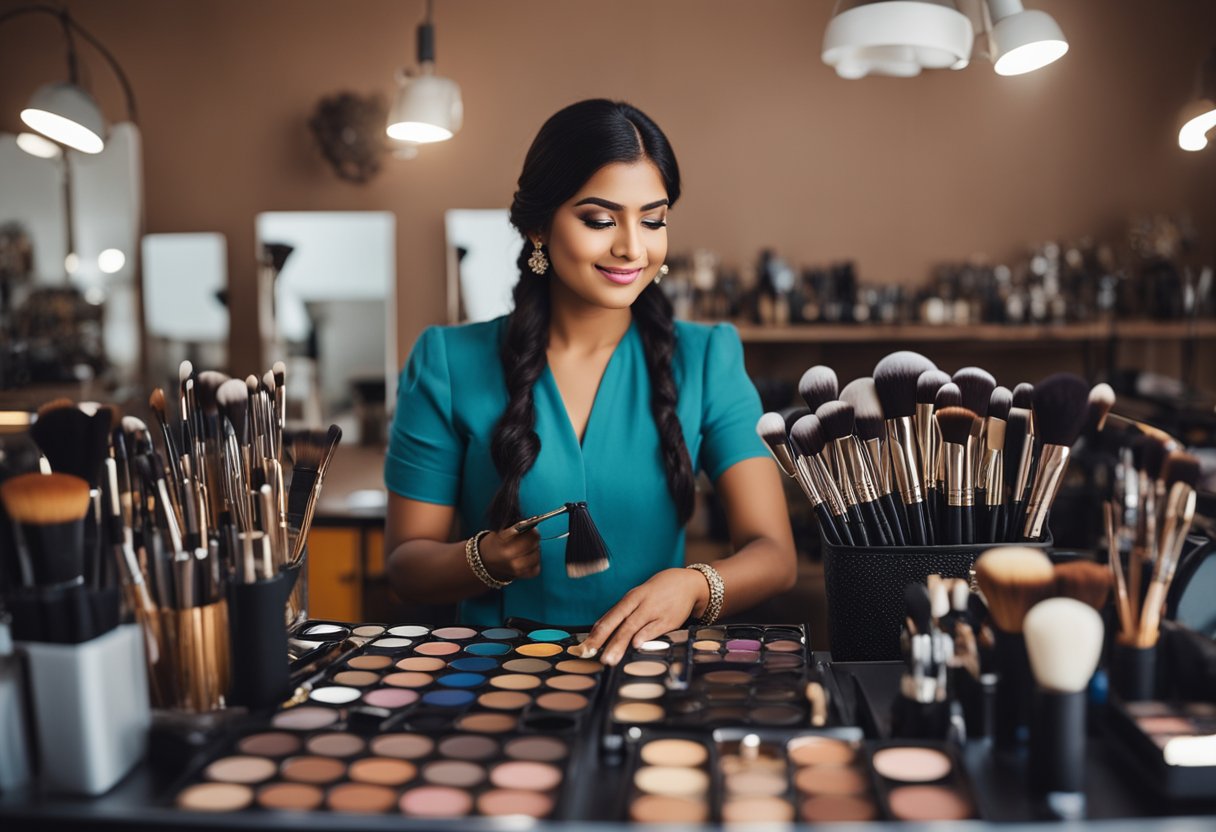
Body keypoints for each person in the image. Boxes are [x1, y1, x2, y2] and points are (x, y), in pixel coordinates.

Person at [385, 99, 795, 666]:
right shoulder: (448, 362)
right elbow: (406, 566)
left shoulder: (706, 358)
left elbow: (774, 554)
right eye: (600, 220)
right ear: (537, 226)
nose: (632, 246)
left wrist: (693, 586)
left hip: (645, 671)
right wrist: (482, 559)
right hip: (495, 676)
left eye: (653, 220)